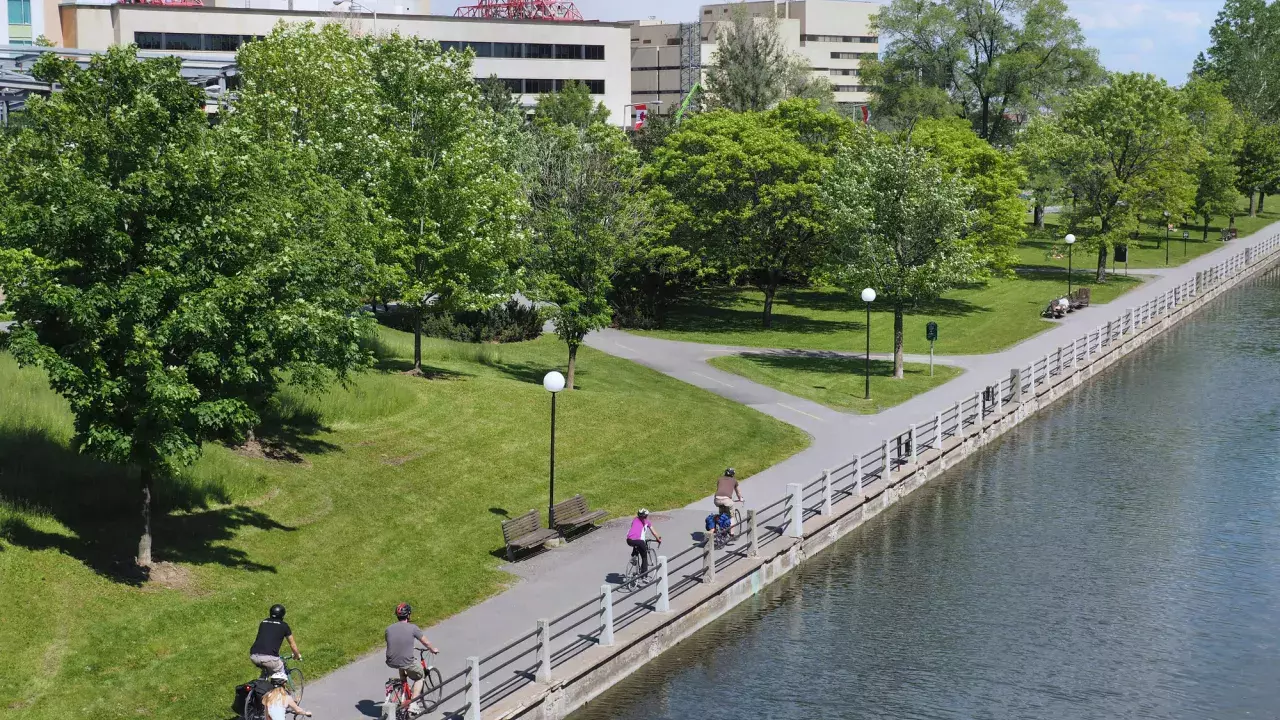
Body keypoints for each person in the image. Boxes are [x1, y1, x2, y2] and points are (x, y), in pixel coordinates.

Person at [386, 603, 439, 708]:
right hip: (406, 661)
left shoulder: (389, 629)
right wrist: (433, 649)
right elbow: (426, 642)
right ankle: (413, 704)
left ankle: (403, 687)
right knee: (420, 676)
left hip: (391, 661)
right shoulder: (413, 628)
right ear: (408, 615)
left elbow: (391, 642)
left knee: (401, 666)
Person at [249, 604, 301, 677]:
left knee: (266, 671)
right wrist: (297, 655)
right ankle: (280, 688)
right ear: (282, 615)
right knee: (281, 676)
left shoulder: (263, 622)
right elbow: (292, 645)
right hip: (269, 658)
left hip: (254, 655)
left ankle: (262, 683)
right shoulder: (284, 625)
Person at [626, 508, 662, 577]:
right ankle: (644, 574)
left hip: (629, 540)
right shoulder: (647, 522)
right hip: (639, 541)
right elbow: (654, 532)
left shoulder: (635, 520)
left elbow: (634, 530)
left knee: (636, 545)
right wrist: (658, 539)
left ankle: (633, 557)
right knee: (644, 556)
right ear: (645, 516)